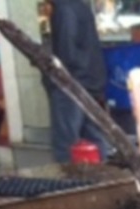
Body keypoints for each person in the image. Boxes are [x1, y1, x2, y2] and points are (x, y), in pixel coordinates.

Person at [46, 0, 110, 163]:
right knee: (94, 136)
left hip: (71, 84)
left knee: (65, 143)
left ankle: (69, 183)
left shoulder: (63, 10)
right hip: (88, 80)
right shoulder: (79, 6)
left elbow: (66, 53)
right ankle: (108, 177)